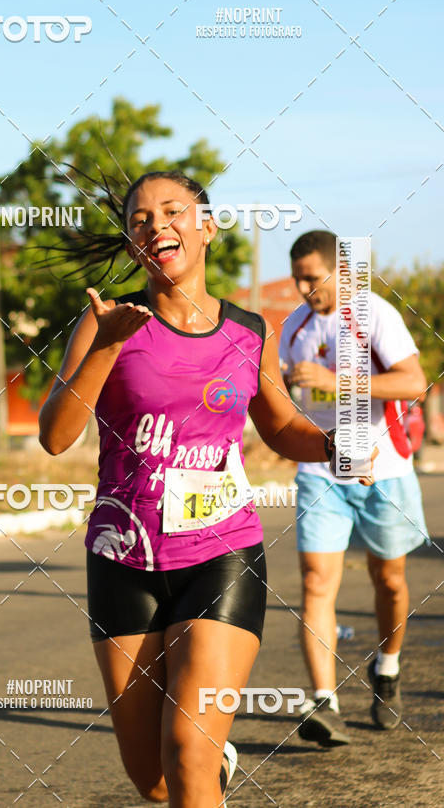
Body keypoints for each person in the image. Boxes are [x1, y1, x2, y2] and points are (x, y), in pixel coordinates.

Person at [38, 172, 374, 806]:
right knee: (152, 779)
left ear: (206, 227)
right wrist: (107, 347)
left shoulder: (248, 331)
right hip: (123, 556)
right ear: (133, 243)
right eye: (140, 219)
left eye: (172, 211)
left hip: (222, 552)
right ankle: (213, 764)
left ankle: (204, 759)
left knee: (187, 753)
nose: (156, 225)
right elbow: (56, 436)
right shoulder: (107, 322)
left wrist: (333, 444)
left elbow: (279, 427)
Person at [279, 230, 428, 747]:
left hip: (382, 468)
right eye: (297, 276)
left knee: (388, 580)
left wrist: (334, 381)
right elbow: (282, 396)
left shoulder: (374, 315)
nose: (301, 287)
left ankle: (387, 666)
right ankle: (325, 704)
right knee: (317, 581)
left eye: (311, 277)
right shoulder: (293, 326)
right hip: (323, 471)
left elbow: (414, 381)